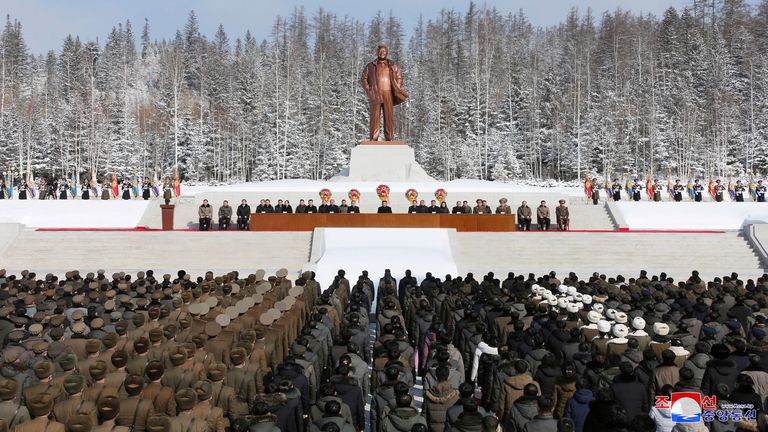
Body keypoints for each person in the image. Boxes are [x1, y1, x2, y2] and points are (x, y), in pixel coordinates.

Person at [361, 43, 407, 141]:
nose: (382, 53)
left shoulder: (392, 65)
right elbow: (364, 78)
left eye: (384, 51)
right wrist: (369, 90)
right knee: (375, 116)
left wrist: (396, 88)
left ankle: (389, 137)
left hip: (388, 93)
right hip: (375, 93)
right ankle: (374, 137)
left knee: (389, 115)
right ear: (377, 52)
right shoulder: (370, 66)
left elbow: (399, 77)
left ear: (387, 53)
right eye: (380, 51)